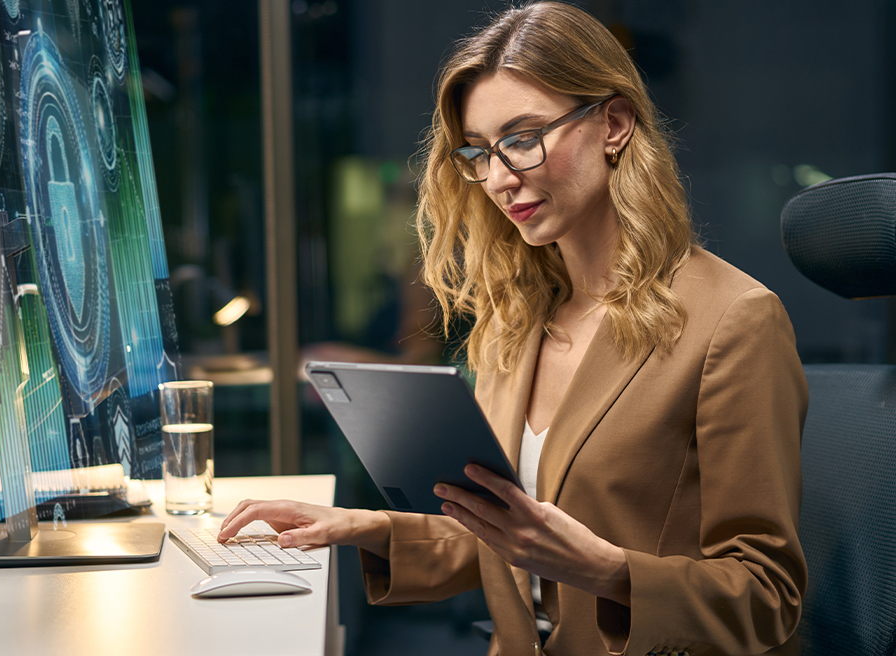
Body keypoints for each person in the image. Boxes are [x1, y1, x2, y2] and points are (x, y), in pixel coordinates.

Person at [219, 3, 808, 655]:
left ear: (614, 123)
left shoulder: (734, 319)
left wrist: (605, 571)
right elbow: (509, 539)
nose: (499, 179)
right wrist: (361, 526)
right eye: (479, 151)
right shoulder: (516, 319)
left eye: (523, 138)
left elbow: (767, 599)